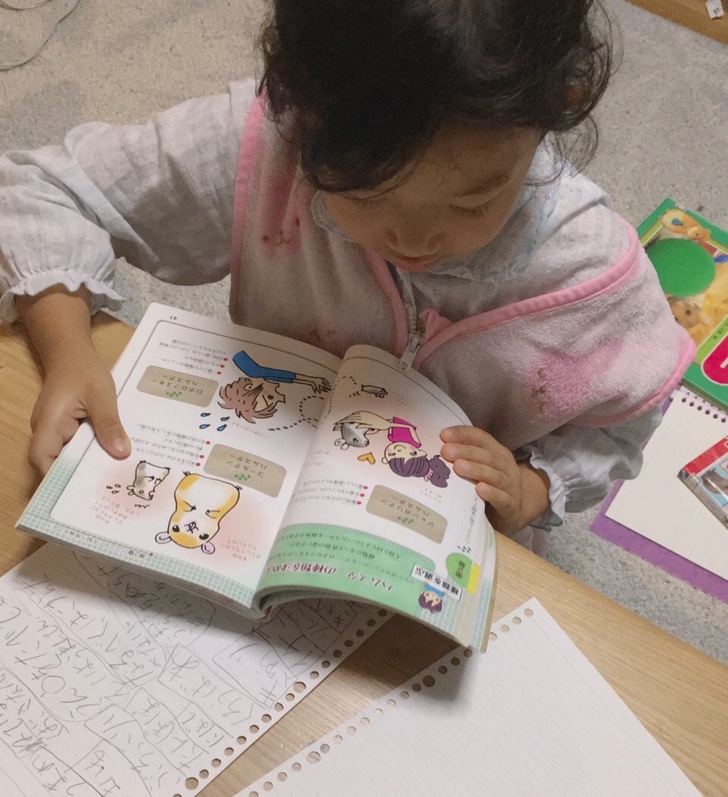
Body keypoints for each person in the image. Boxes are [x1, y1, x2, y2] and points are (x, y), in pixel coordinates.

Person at [0, 0, 693, 552]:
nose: (414, 240)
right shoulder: (271, 143)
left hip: (445, 539)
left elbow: (631, 413)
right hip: (256, 475)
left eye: (472, 201)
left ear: (563, 101)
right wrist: (68, 350)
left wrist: (534, 486)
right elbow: (42, 189)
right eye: (363, 192)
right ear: (295, 102)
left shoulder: (593, 275)